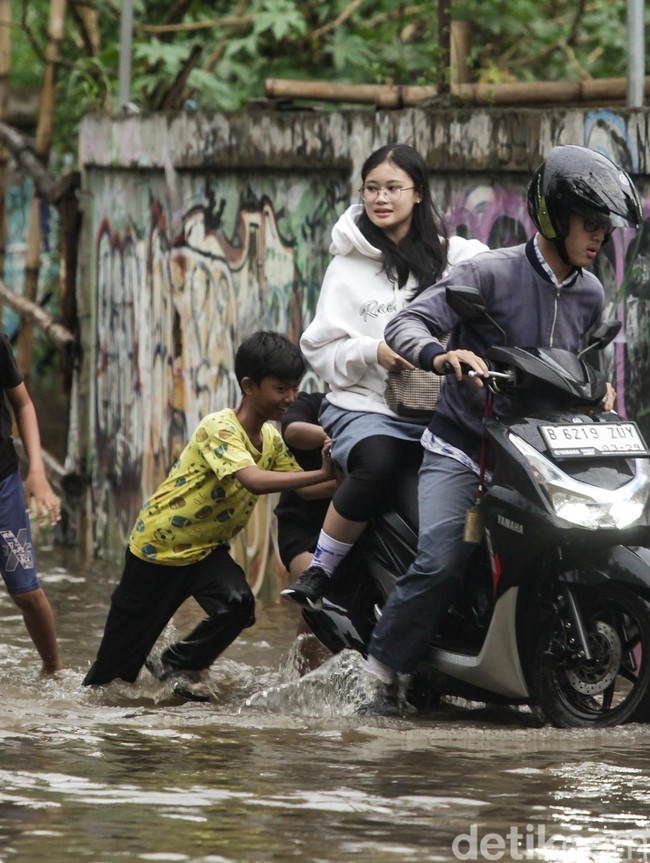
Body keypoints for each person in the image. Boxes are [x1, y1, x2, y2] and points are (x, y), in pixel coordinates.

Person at [363, 144, 642, 715]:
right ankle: (382, 674)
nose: (598, 239)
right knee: (442, 557)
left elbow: (586, 365)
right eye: (589, 225)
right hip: (464, 449)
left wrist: (604, 390)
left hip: (537, 454)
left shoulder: (589, 291)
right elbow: (408, 323)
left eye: (603, 229)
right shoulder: (487, 273)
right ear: (553, 218)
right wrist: (442, 357)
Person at [281, 143, 487, 611]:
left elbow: (507, 283)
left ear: (418, 194)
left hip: (441, 409)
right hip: (365, 407)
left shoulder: (456, 258)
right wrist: (374, 351)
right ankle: (321, 568)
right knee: (378, 461)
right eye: (372, 188)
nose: (381, 198)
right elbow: (319, 347)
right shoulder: (346, 267)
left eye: (393, 188)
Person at [82, 331, 334, 701]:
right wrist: (325, 474)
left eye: (295, 388)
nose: (291, 399)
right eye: (281, 388)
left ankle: (177, 662)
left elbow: (306, 490)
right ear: (249, 386)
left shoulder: (272, 440)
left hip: (205, 550)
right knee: (111, 679)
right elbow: (253, 480)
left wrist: (350, 483)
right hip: (157, 550)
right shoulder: (220, 427)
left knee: (237, 606)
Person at [0, 333, 64, 674]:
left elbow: (22, 404)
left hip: (3, 485)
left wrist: (36, 472)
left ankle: (53, 670)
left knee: (26, 592)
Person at [275, 391, 339, 672]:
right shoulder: (313, 404)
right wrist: (339, 434)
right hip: (303, 528)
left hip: (359, 533)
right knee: (321, 599)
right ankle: (300, 677)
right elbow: (292, 430)